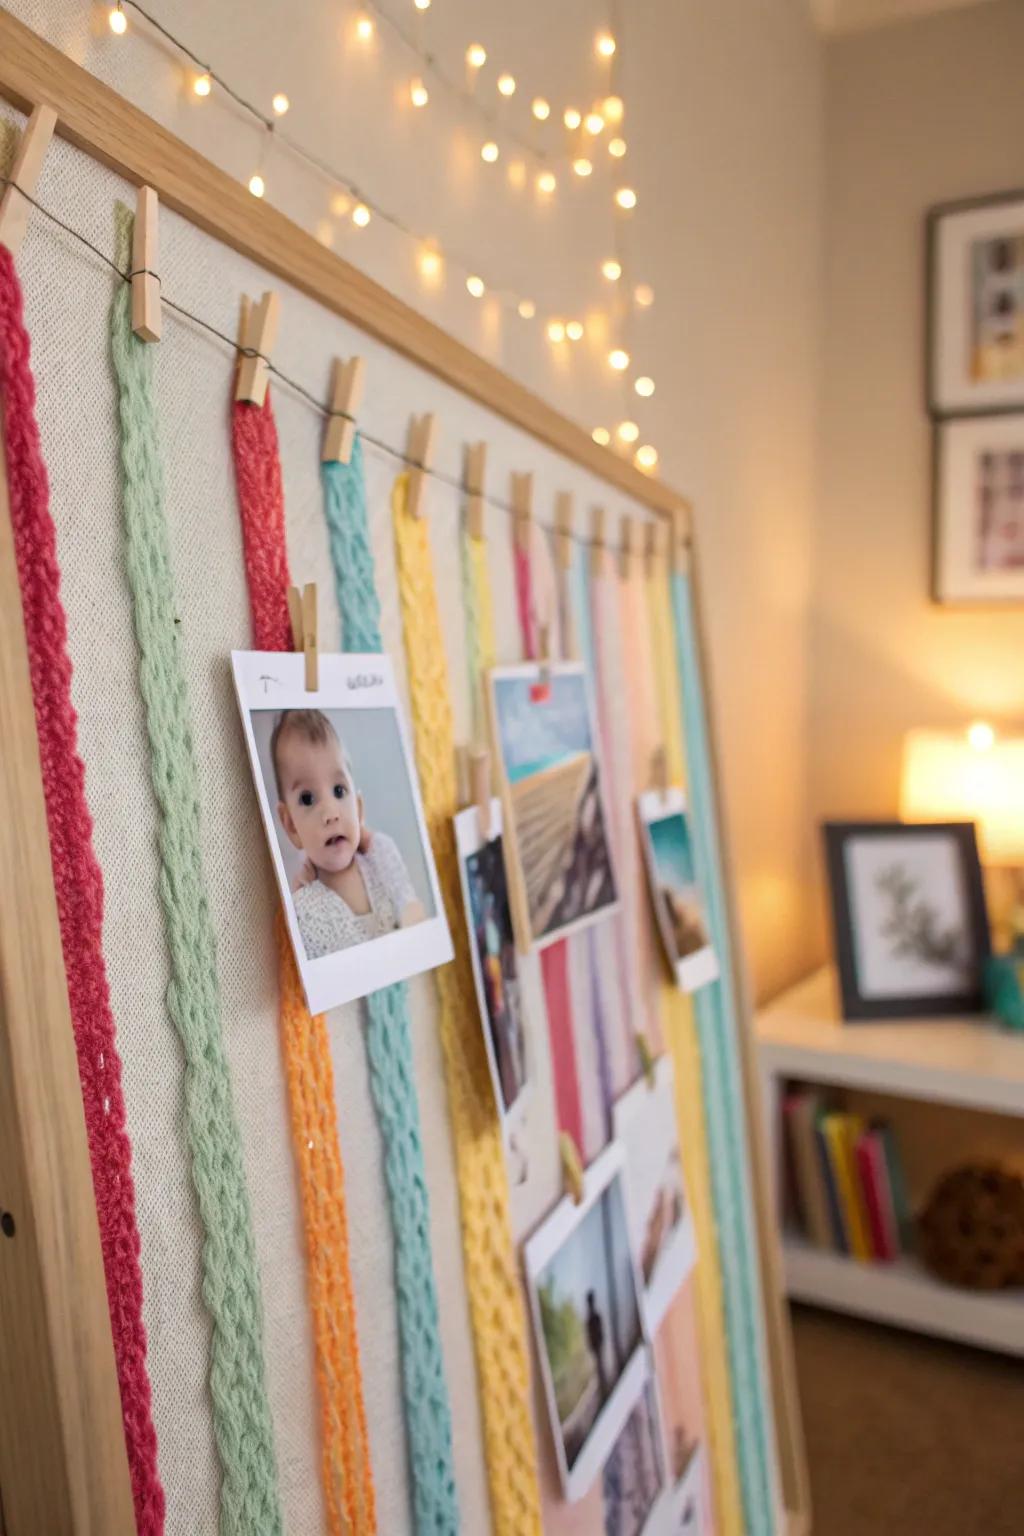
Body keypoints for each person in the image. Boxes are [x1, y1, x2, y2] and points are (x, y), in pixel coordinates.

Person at [271, 708, 425, 959]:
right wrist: (303, 902)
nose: (331, 813)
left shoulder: (380, 862)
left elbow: (411, 909)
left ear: (359, 807)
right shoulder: (306, 907)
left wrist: (379, 847)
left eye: (339, 791)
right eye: (308, 799)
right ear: (290, 826)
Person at [585, 1290, 607, 1400]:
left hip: (598, 1345)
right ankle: (602, 1390)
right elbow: (590, 1334)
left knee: (601, 1366)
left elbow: (599, 1331)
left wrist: (599, 1341)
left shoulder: (594, 1317)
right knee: (599, 1367)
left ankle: (604, 1389)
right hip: (596, 1346)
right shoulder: (590, 1318)